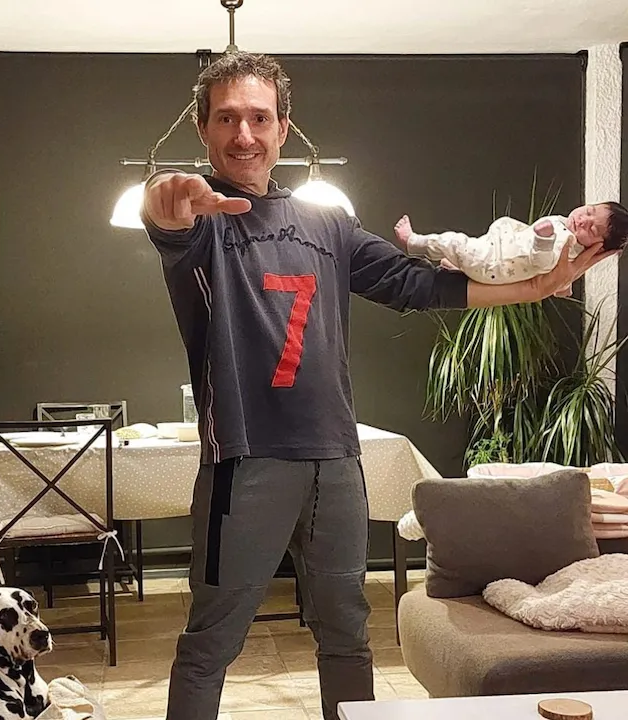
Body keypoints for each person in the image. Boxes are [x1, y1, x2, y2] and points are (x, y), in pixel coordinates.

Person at [139, 51, 613, 720]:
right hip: (243, 462)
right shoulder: (200, 222)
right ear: (202, 127)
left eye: (259, 118)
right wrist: (163, 199)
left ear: (283, 127)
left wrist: (534, 288)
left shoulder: (327, 223)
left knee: (347, 634)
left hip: (336, 459)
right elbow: (165, 213)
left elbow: (413, 283)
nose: (244, 134)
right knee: (211, 640)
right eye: (227, 118)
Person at [393, 203, 627, 288]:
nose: (584, 220)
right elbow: (560, 276)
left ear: (598, 246)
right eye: (589, 210)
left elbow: (543, 261)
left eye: (592, 229)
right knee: (479, 242)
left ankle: (413, 242)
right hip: (494, 252)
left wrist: (544, 240)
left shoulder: (566, 242)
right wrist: (563, 287)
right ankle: (459, 268)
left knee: (453, 241)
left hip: (493, 263)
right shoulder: (568, 227)